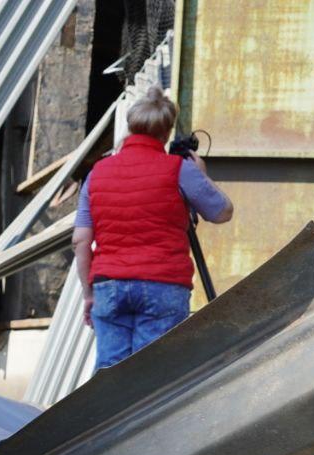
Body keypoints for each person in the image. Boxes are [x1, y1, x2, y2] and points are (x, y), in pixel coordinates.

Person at [72, 86, 233, 372]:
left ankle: (109, 418)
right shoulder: (179, 169)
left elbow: (81, 241)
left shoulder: (97, 173)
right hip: (163, 285)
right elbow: (222, 212)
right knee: (154, 375)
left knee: (109, 373)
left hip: (109, 284)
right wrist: (202, 175)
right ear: (166, 132)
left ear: (131, 128)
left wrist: (88, 293)